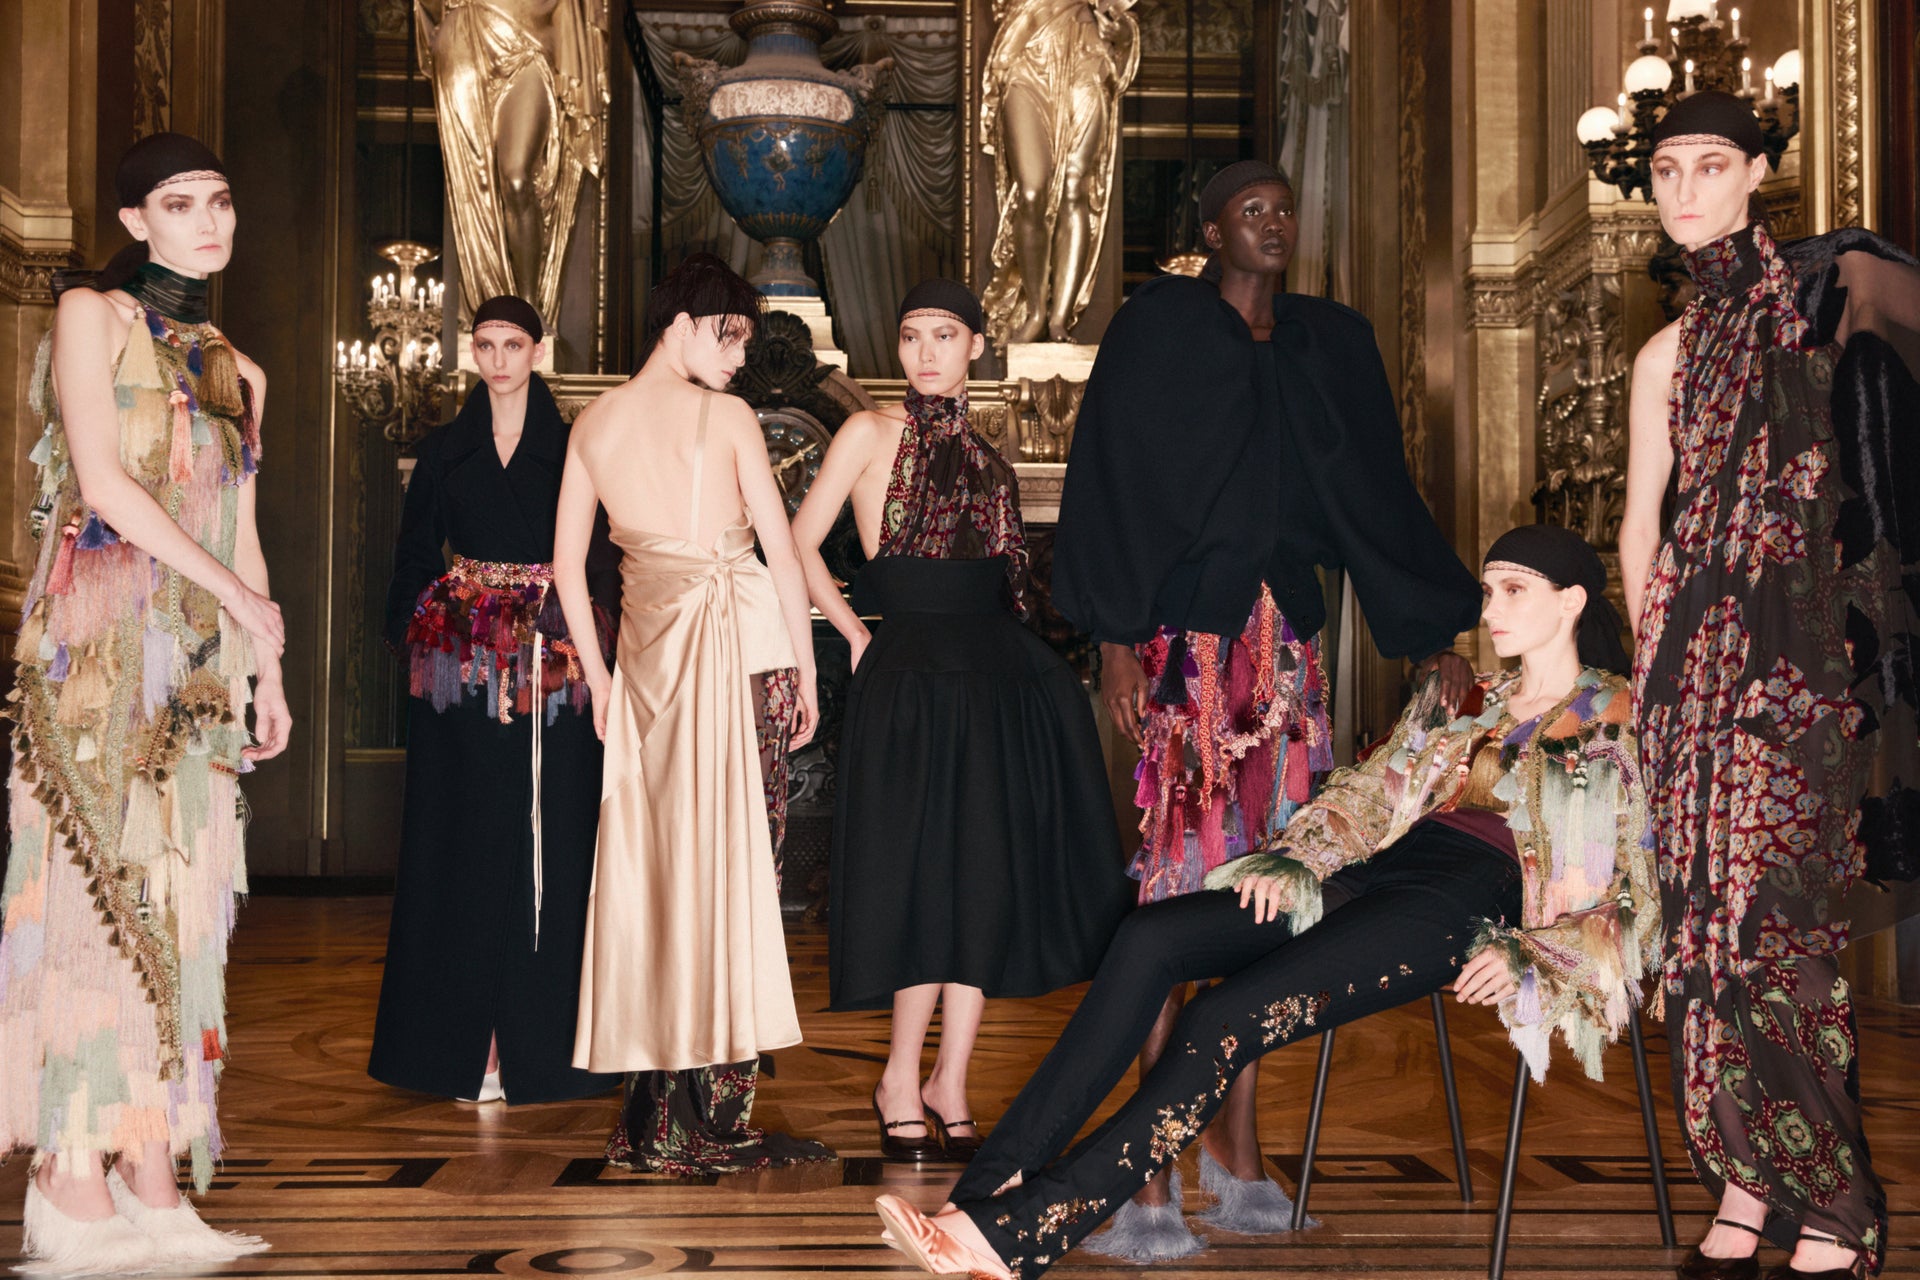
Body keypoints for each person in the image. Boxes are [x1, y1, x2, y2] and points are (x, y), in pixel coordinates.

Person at [870, 524, 1661, 1280]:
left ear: (1573, 601)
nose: (1489, 613)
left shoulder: (1616, 722)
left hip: (1466, 907)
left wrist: (1531, 952)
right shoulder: (1469, 699)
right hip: (1379, 873)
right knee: (1150, 937)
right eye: (1486, 591)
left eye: (1513, 591)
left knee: (1223, 1018)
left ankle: (1017, 1237)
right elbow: (1368, 799)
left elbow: (1637, 893)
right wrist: (1293, 861)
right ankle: (985, 1193)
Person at [1047, 158, 1482, 1255]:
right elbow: (1114, 479)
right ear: (1210, 229)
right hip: (1187, 659)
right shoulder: (1158, 330)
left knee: (1269, 905)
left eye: (1288, 210)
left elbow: (1375, 494)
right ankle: (1148, 1175)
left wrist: (1435, 632)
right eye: (1254, 211)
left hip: (1290, 661)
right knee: (1173, 906)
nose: (1276, 225)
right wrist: (1111, 642)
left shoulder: (1329, 344)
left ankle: (1234, 1150)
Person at [1618, 91, 1920, 1280]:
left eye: (1709, 167)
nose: (1685, 190)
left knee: (1776, 931)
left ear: (1756, 176)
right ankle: (1747, 1179)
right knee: (1700, 941)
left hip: (1799, 667)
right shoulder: (1663, 351)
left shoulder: (1829, 291)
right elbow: (1647, 529)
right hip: (1689, 670)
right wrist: (1654, 679)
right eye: (1664, 172)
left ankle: (1839, 1207)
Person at [0, 132, 289, 1274]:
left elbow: (245, 531)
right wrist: (229, 594)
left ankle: (151, 1176)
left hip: (197, 666)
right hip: (96, 648)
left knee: (181, 906)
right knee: (88, 902)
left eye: (219, 199)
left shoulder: (236, 366)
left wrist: (267, 665)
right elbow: (104, 482)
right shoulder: (91, 313)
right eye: (179, 203)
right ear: (136, 221)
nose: (207, 221)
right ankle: (69, 1187)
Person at [790, 279, 1132, 1162]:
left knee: (985, 878)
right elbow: (795, 542)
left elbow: (1008, 578)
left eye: (944, 335)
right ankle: (899, 1076)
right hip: (907, 673)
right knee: (918, 881)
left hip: (994, 673)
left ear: (974, 346)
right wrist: (858, 633)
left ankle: (950, 1077)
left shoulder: (991, 453)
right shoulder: (868, 433)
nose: (926, 352)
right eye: (911, 337)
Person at [554, 252, 831, 1173]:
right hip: (747, 662)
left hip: (644, 675)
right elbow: (785, 555)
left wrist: (597, 680)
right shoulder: (725, 418)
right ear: (680, 323)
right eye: (731, 335)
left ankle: (654, 1119)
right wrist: (807, 670)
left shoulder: (592, 422)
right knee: (737, 880)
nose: (741, 357)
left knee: (652, 878)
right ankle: (711, 1114)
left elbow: (565, 569)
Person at [368, 295, 621, 1107]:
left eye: (514, 344)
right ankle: (460, 1048)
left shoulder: (581, 445)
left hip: (560, 671)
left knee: (556, 844)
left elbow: (607, 555)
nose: (500, 358)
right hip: (466, 676)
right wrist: (423, 634)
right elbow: (412, 553)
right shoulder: (445, 448)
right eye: (486, 344)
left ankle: (547, 1051)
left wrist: (593, 646)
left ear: (539, 352)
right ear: (472, 353)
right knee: (462, 846)